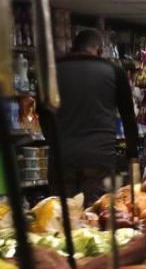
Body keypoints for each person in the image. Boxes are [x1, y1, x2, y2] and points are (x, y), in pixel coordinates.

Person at [53, 28, 139, 203]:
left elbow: (42, 112)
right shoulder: (114, 71)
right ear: (100, 50)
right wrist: (132, 154)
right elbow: (128, 116)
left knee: (60, 216)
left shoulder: (53, 70)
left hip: (62, 158)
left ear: (73, 48)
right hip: (99, 158)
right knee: (96, 216)